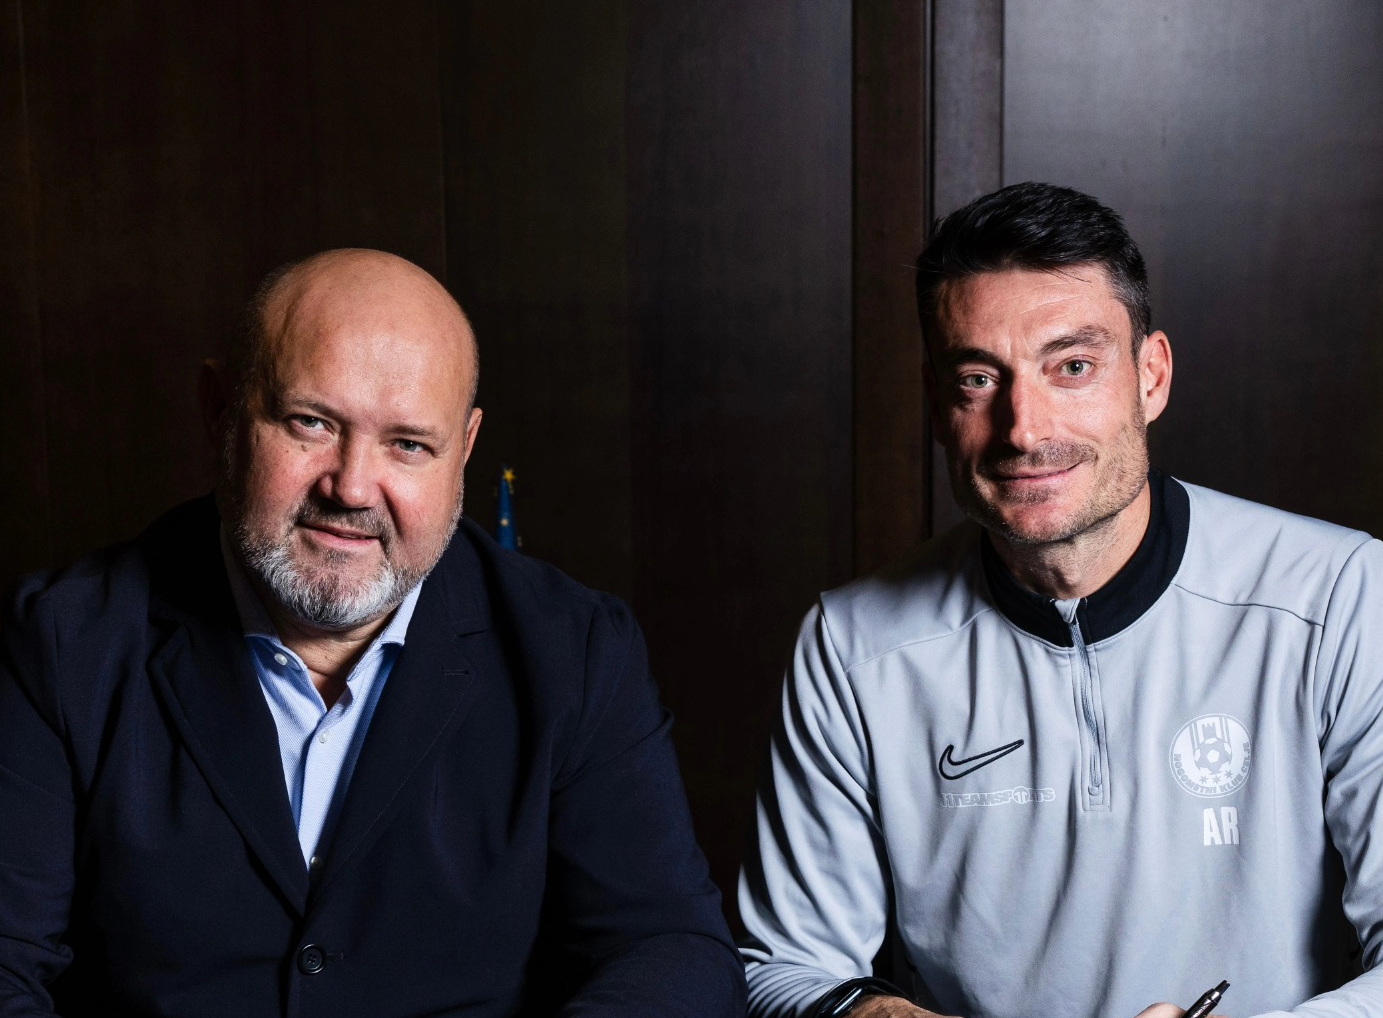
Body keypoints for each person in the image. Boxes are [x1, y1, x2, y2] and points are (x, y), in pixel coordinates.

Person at [0, 249, 745, 1017]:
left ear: (463, 450)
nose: (352, 487)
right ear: (220, 410)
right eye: (311, 423)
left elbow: (668, 947)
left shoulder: (575, 651)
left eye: (408, 444)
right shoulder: (58, 643)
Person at [738, 182, 1383, 1018]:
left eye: (1071, 366)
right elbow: (786, 966)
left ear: (1150, 377)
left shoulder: (1339, 596)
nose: (1023, 428)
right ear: (937, 404)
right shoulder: (852, 645)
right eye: (978, 378)